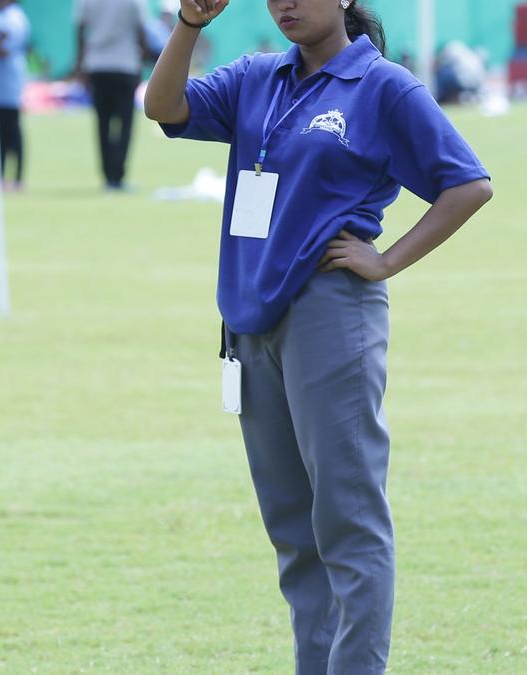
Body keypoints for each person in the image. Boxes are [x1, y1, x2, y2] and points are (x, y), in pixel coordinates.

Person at [144, 1, 492, 672]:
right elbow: (164, 107)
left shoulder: (384, 86)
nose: (287, 4)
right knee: (294, 533)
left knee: (348, 522)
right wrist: (189, 24)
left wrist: (386, 259)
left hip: (329, 313)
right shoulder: (255, 77)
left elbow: (468, 182)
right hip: (250, 318)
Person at [73, 0, 149, 192]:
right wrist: (142, 61)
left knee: (102, 123)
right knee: (125, 124)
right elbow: (141, 30)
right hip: (125, 64)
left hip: (98, 64)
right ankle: (118, 175)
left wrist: (80, 63)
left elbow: (80, 30)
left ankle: (108, 177)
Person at [0, 0, 30, 191]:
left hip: (9, 83)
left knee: (12, 131)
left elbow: (3, 50)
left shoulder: (14, 17)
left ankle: (17, 178)